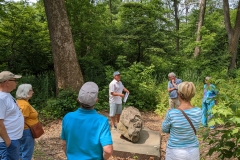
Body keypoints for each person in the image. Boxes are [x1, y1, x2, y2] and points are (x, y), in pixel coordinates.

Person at [61, 82, 113, 160]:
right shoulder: (102, 121)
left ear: (78, 99)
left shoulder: (68, 117)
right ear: (96, 100)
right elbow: (108, 150)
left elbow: (64, 144)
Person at [162, 81, 202, 160]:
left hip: (175, 151)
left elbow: (164, 129)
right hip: (193, 151)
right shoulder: (198, 111)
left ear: (179, 94)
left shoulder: (172, 113)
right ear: (192, 94)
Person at [0, 71, 24, 160]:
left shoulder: (7, 95)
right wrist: (7, 141)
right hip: (7, 141)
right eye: (14, 80)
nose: (16, 83)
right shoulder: (1, 98)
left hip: (14, 138)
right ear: (7, 82)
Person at [16, 84, 38, 160]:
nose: (33, 92)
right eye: (31, 90)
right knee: (26, 154)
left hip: (23, 131)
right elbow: (20, 119)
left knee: (21, 152)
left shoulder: (20, 102)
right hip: (25, 132)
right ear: (26, 92)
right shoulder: (24, 105)